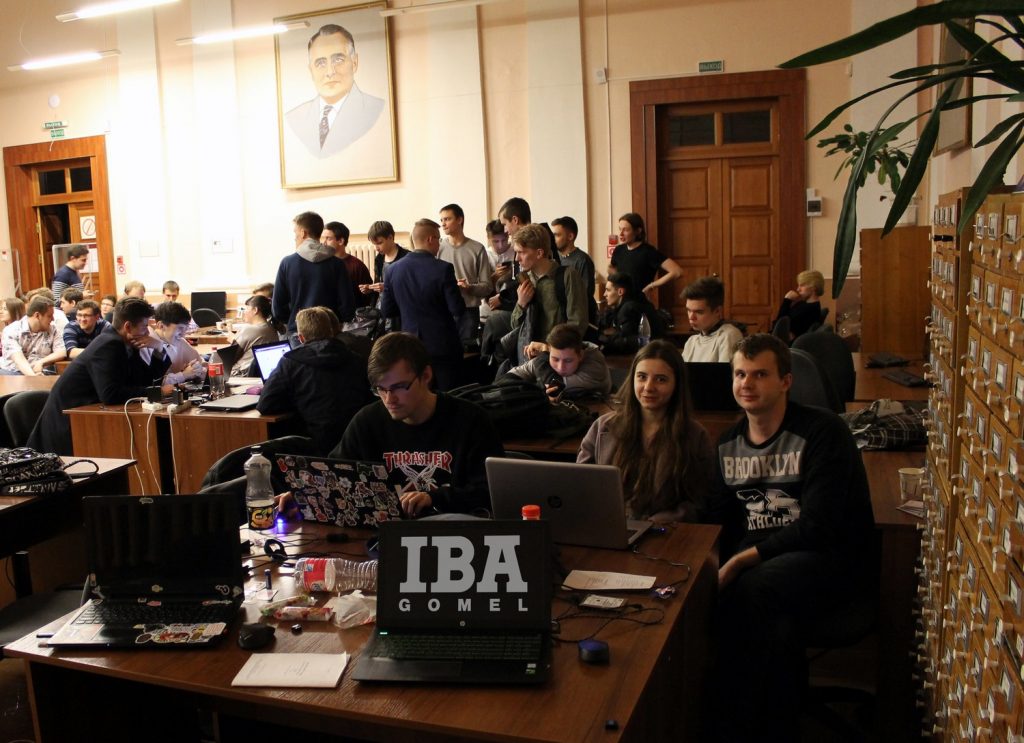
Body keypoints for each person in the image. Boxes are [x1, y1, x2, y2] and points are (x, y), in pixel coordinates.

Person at [704, 333, 874, 741]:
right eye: (740, 374)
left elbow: (818, 526)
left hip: (827, 559)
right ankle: (772, 724)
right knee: (773, 626)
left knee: (750, 590)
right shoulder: (728, 443)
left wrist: (740, 561)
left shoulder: (822, 431)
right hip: (766, 568)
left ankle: (733, 724)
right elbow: (718, 519)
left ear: (786, 381)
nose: (747, 383)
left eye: (760, 374)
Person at [328, 332, 503, 516]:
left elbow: (492, 492)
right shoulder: (366, 422)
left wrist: (434, 498)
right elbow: (334, 476)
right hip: (388, 530)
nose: (389, 399)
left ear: (426, 375)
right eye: (380, 389)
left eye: (399, 387)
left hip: (453, 527)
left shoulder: (471, 420)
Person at [578, 340, 712, 521]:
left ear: (677, 384)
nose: (649, 387)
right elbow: (581, 485)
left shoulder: (695, 435)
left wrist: (665, 520)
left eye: (661, 379)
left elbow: (702, 500)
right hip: (610, 524)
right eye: (642, 377)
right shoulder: (602, 427)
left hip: (667, 530)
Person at [27, 298, 172, 456]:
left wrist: (158, 348)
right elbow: (110, 394)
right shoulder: (109, 345)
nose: (147, 332)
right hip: (67, 427)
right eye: (144, 327)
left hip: (86, 419)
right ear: (128, 327)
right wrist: (157, 392)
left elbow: (144, 380)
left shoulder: (126, 342)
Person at [257, 306, 372, 455]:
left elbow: (265, 405)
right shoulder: (356, 358)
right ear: (332, 331)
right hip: (358, 441)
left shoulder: (291, 362)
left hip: (315, 446)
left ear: (301, 338)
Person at [380, 219, 464, 391]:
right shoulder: (443, 269)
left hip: (410, 346)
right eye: (439, 239)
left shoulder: (392, 270)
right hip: (443, 345)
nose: (439, 244)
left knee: (418, 395)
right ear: (430, 239)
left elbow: (387, 310)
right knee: (448, 395)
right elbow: (457, 309)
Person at [285, 24, 385, 159]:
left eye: (338, 60)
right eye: (321, 63)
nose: (330, 72)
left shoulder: (375, 109)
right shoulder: (295, 117)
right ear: (311, 71)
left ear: (354, 63)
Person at [272, 210, 354, 344]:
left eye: (295, 232)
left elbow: (278, 308)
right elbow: (347, 306)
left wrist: (294, 321)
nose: (294, 237)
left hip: (298, 333)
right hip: (330, 332)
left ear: (303, 233)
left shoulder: (287, 263)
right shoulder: (337, 264)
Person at [510, 223, 588, 362]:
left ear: (539, 253)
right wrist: (521, 304)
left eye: (521, 252)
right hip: (528, 357)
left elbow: (577, 323)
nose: (517, 258)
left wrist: (549, 348)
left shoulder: (567, 276)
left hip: (558, 357)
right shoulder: (525, 279)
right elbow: (515, 326)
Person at [502, 323, 611, 400]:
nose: (560, 367)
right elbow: (514, 374)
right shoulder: (552, 353)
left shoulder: (595, 366)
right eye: (555, 359)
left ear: (580, 356)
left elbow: (554, 386)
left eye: (568, 361)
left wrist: (543, 354)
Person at [438, 203, 491, 345]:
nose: (443, 224)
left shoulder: (477, 248)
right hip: (443, 309)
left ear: (460, 220)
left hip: (469, 311)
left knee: (467, 353)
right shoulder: (438, 248)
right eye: (441, 220)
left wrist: (469, 287)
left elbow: (487, 286)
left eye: (447, 219)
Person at [609, 212, 683, 297]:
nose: (621, 234)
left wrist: (652, 286)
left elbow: (677, 271)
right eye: (620, 229)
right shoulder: (618, 250)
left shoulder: (648, 252)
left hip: (638, 301)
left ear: (638, 231)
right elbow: (613, 272)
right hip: (620, 300)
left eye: (625, 230)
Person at [597, 273, 664, 355]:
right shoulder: (635, 302)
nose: (604, 294)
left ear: (620, 291)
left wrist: (605, 341)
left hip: (651, 353)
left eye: (608, 290)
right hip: (654, 350)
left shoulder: (628, 309)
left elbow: (627, 343)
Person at [680, 276, 744, 362]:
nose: (691, 317)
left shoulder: (729, 335)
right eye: (689, 310)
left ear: (717, 311)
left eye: (699, 312)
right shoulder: (691, 342)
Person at [140, 301, 204, 386]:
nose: (183, 334)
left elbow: (202, 366)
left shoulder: (179, 341)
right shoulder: (145, 346)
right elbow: (152, 384)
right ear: (161, 326)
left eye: (186, 329)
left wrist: (197, 369)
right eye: (180, 328)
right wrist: (184, 375)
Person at [0, 295, 65, 376]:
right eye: (49, 316)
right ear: (37, 315)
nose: (53, 319)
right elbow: (19, 360)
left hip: (43, 370)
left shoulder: (53, 329)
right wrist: (34, 377)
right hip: (14, 372)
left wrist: (41, 362)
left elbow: (61, 352)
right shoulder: (11, 330)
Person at [551, 216, 597, 325]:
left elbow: (586, 293)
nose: (553, 239)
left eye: (557, 235)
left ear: (570, 236)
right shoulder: (553, 258)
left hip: (578, 318)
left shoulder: (582, 260)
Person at [322, 220, 372, 308]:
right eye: (323, 238)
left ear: (341, 241)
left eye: (328, 238)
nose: (324, 243)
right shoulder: (322, 265)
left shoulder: (357, 266)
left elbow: (367, 297)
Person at [231, 295, 281, 376]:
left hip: (241, 375)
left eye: (246, 309)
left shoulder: (248, 329)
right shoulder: (272, 327)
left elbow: (230, 357)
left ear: (255, 310)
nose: (244, 312)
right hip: (263, 374)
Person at [359, 220, 409, 298]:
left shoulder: (407, 257)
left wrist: (387, 287)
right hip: (382, 302)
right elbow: (378, 285)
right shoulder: (379, 259)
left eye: (379, 243)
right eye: (374, 244)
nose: (376, 248)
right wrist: (371, 288)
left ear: (390, 237)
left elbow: (410, 287)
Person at [774, 269, 825, 341]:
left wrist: (787, 301)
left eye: (802, 285)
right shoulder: (803, 304)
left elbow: (780, 326)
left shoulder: (811, 310)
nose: (798, 289)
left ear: (814, 287)